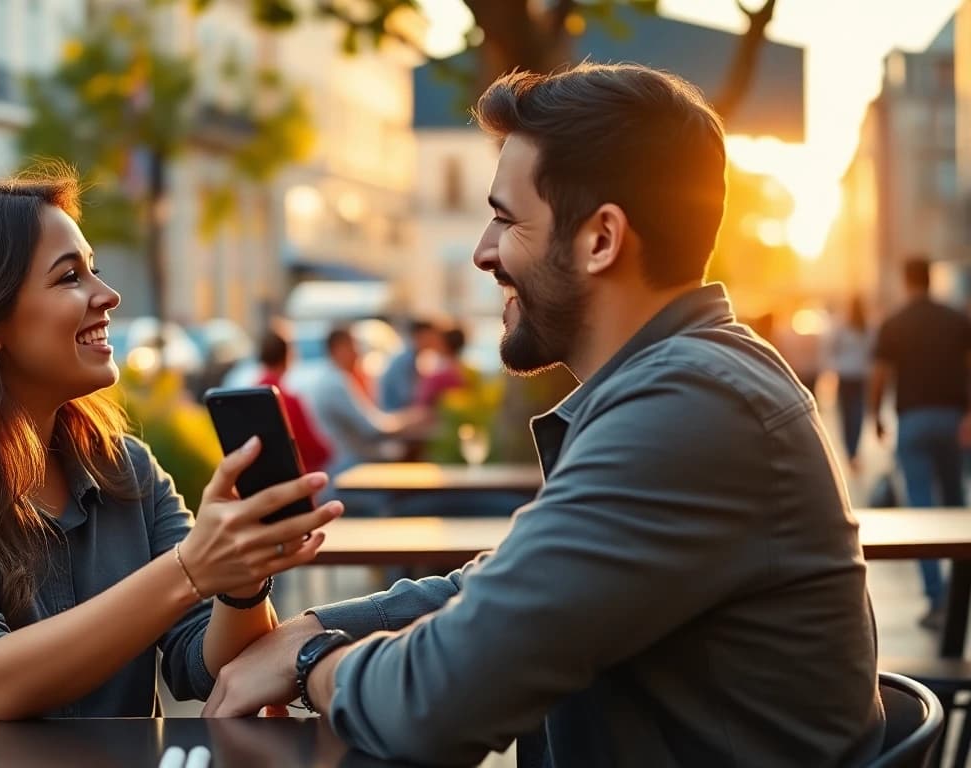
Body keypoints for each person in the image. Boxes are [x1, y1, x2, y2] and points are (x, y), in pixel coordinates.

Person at [203, 64, 883, 767]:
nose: (482, 251)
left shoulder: (689, 408)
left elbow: (437, 703)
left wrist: (314, 660)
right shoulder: (689, 383)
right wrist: (316, 625)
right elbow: (504, 592)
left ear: (601, 240)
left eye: (505, 218)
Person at [0, 176, 344, 720]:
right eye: (70, 276)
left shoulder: (122, 467)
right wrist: (191, 570)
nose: (109, 294)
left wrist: (241, 584)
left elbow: (205, 664)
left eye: (93, 269)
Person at [870, 256, 971, 631]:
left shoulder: (894, 323)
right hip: (952, 420)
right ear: (930, 280)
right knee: (958, 508)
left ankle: (938, 597)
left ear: (906, 281)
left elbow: (879, 374)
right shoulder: (956, 319)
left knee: (920, 508)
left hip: (912, 420)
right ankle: (962, 594)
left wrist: (876, 416)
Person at [306, 326, 429, 481]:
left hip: (351, 464)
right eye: (353, 346)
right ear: (338, 348)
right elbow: (372, 428)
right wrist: (410, 419)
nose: (358, 353)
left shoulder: (335, 378)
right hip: (350, 468)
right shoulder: (335, 383)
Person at [255, 327, 331, 473]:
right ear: (288, 355)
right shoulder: (288, 400)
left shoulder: (250, 395)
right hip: (296, 479)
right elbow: (314, 448)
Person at [824, 296, 872, 471]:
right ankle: (854, 450)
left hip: (845, 375)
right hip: (860, 374)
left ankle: (850, 451)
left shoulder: (841, 325)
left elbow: (830, 347)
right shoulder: (867, 326)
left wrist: (833, 366)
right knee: (857, 413)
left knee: (845, 414)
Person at [379, 318, 438, 410]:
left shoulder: (414, 357)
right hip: (395, 413)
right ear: (418, 336)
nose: (435, 342)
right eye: (431, 337)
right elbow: (406, 397)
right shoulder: (403, 361)